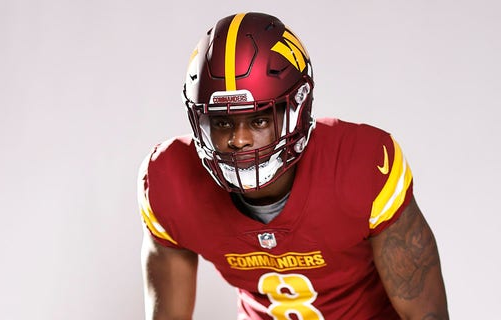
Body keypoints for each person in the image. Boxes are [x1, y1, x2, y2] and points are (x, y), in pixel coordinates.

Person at [138, 12, 449, 320]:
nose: (239, 140)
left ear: (296, 108)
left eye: (259, 119)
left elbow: (426, 314)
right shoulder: (170, 181)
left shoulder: (359, 165)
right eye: (222, 121)